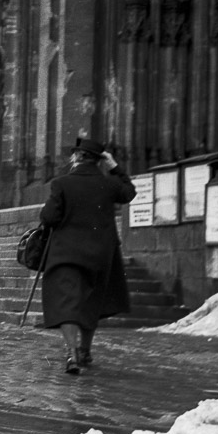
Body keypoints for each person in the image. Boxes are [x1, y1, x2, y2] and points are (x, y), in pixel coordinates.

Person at [39, 137, 137, 374]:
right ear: (99, 160)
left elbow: (49, 217)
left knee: (67, 303)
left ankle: (71, 353)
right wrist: (114, 166)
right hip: (101, 254)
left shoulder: (61, 183)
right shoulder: (109, 184)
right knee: (91, 302)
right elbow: (130, 192)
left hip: (66, 254)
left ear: (78, 157)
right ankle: (85, 350)